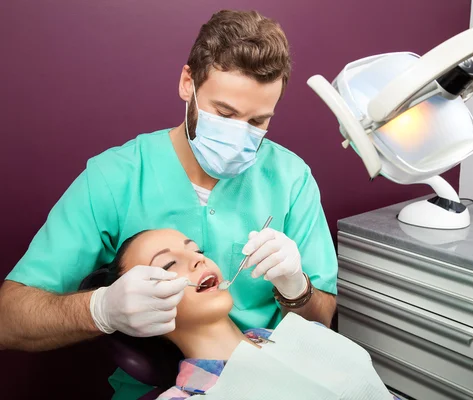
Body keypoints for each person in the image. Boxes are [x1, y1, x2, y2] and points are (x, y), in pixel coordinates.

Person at [0, 10, 338, 399]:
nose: (239, 135)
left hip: (284, 379)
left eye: (257, 122)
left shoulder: (290, 178)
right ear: (187, 83)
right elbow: (9, 320)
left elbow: (321, 321)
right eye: (225, 114)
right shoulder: (115, 178)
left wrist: (296, 287)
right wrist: (101, 309)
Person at [97, 228, 397, 399]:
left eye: (197, 250)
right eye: (167, 266)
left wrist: (297, 285)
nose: (197, 260)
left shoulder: (297, 336)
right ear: (139, 311)